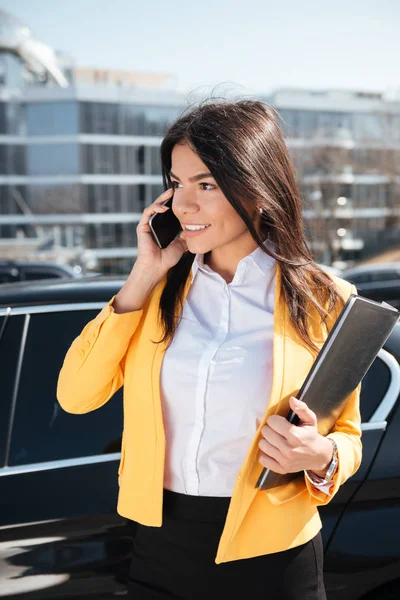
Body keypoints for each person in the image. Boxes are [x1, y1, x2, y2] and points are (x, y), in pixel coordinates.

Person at [57, 99, 362, 600]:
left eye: (206, 185)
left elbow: (347, 436)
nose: (183, 205)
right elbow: (76, 394)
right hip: (162, 546)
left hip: (275, 559)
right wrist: (143, 275)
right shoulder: (155, 293)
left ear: (258, 190)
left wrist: (322, 455)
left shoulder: (325, 298)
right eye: (177, 184)